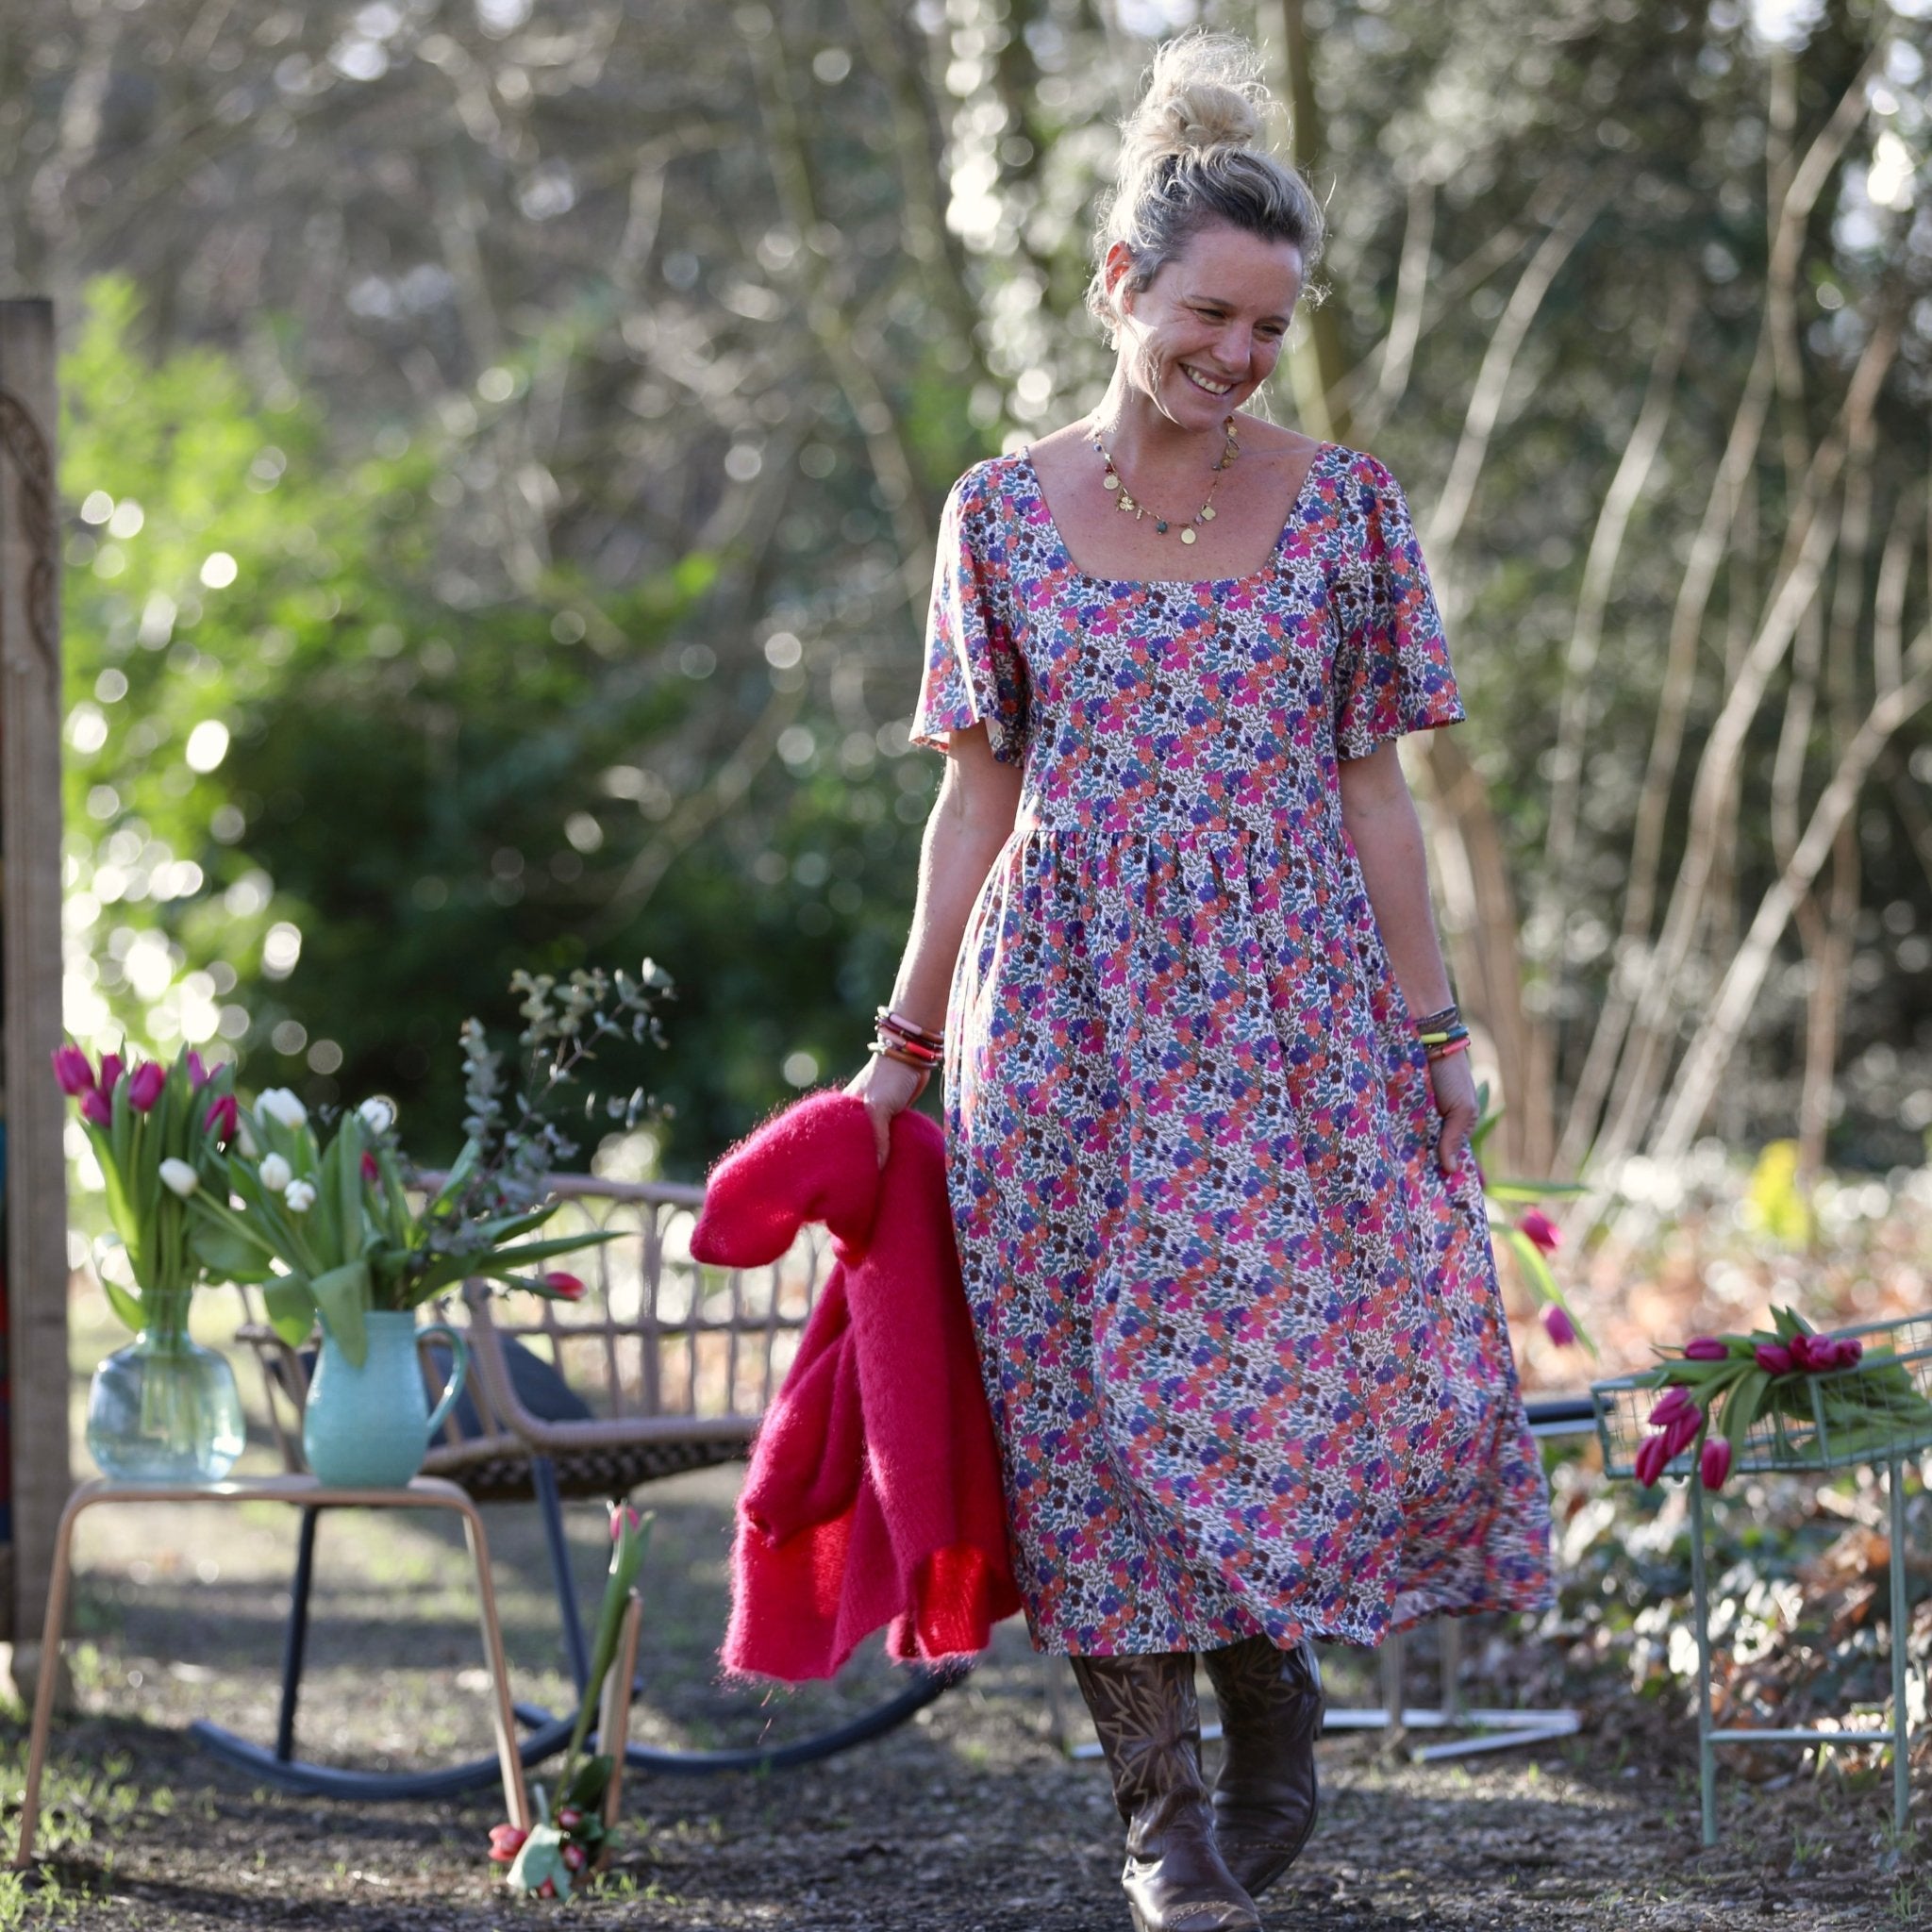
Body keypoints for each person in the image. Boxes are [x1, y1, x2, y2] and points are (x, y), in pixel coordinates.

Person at [848, 32, 1553, 1932]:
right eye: (1208, 315)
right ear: (1118, 286)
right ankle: (1156, 1811)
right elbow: (975, 798)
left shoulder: (1344, 509)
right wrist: (903, 1045)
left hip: (1286, 1015)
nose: (1236, 355)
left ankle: (1272, 1704)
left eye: (1268, 328)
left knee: (1263, 1373)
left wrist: (1436, 1027)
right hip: (1060, 1016)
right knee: (1076, 1398)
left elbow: (1375, 791)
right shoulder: (997, 515)